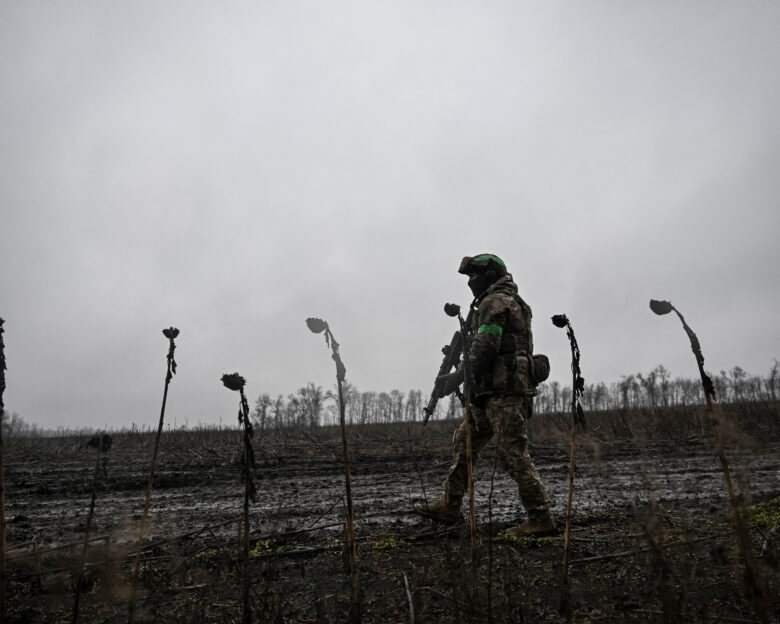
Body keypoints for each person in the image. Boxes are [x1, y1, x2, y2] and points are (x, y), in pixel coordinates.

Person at [413, 253, 554, 537]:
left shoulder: (497, 302)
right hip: (489, 392)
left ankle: (541, 517)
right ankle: (449, 506)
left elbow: (486, 346)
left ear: (490, 275)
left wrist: (456, 378)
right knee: (464, 442)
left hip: (504, 394)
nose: (471, 282)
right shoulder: (496, 301)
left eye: (474, 276)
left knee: (512, 453)